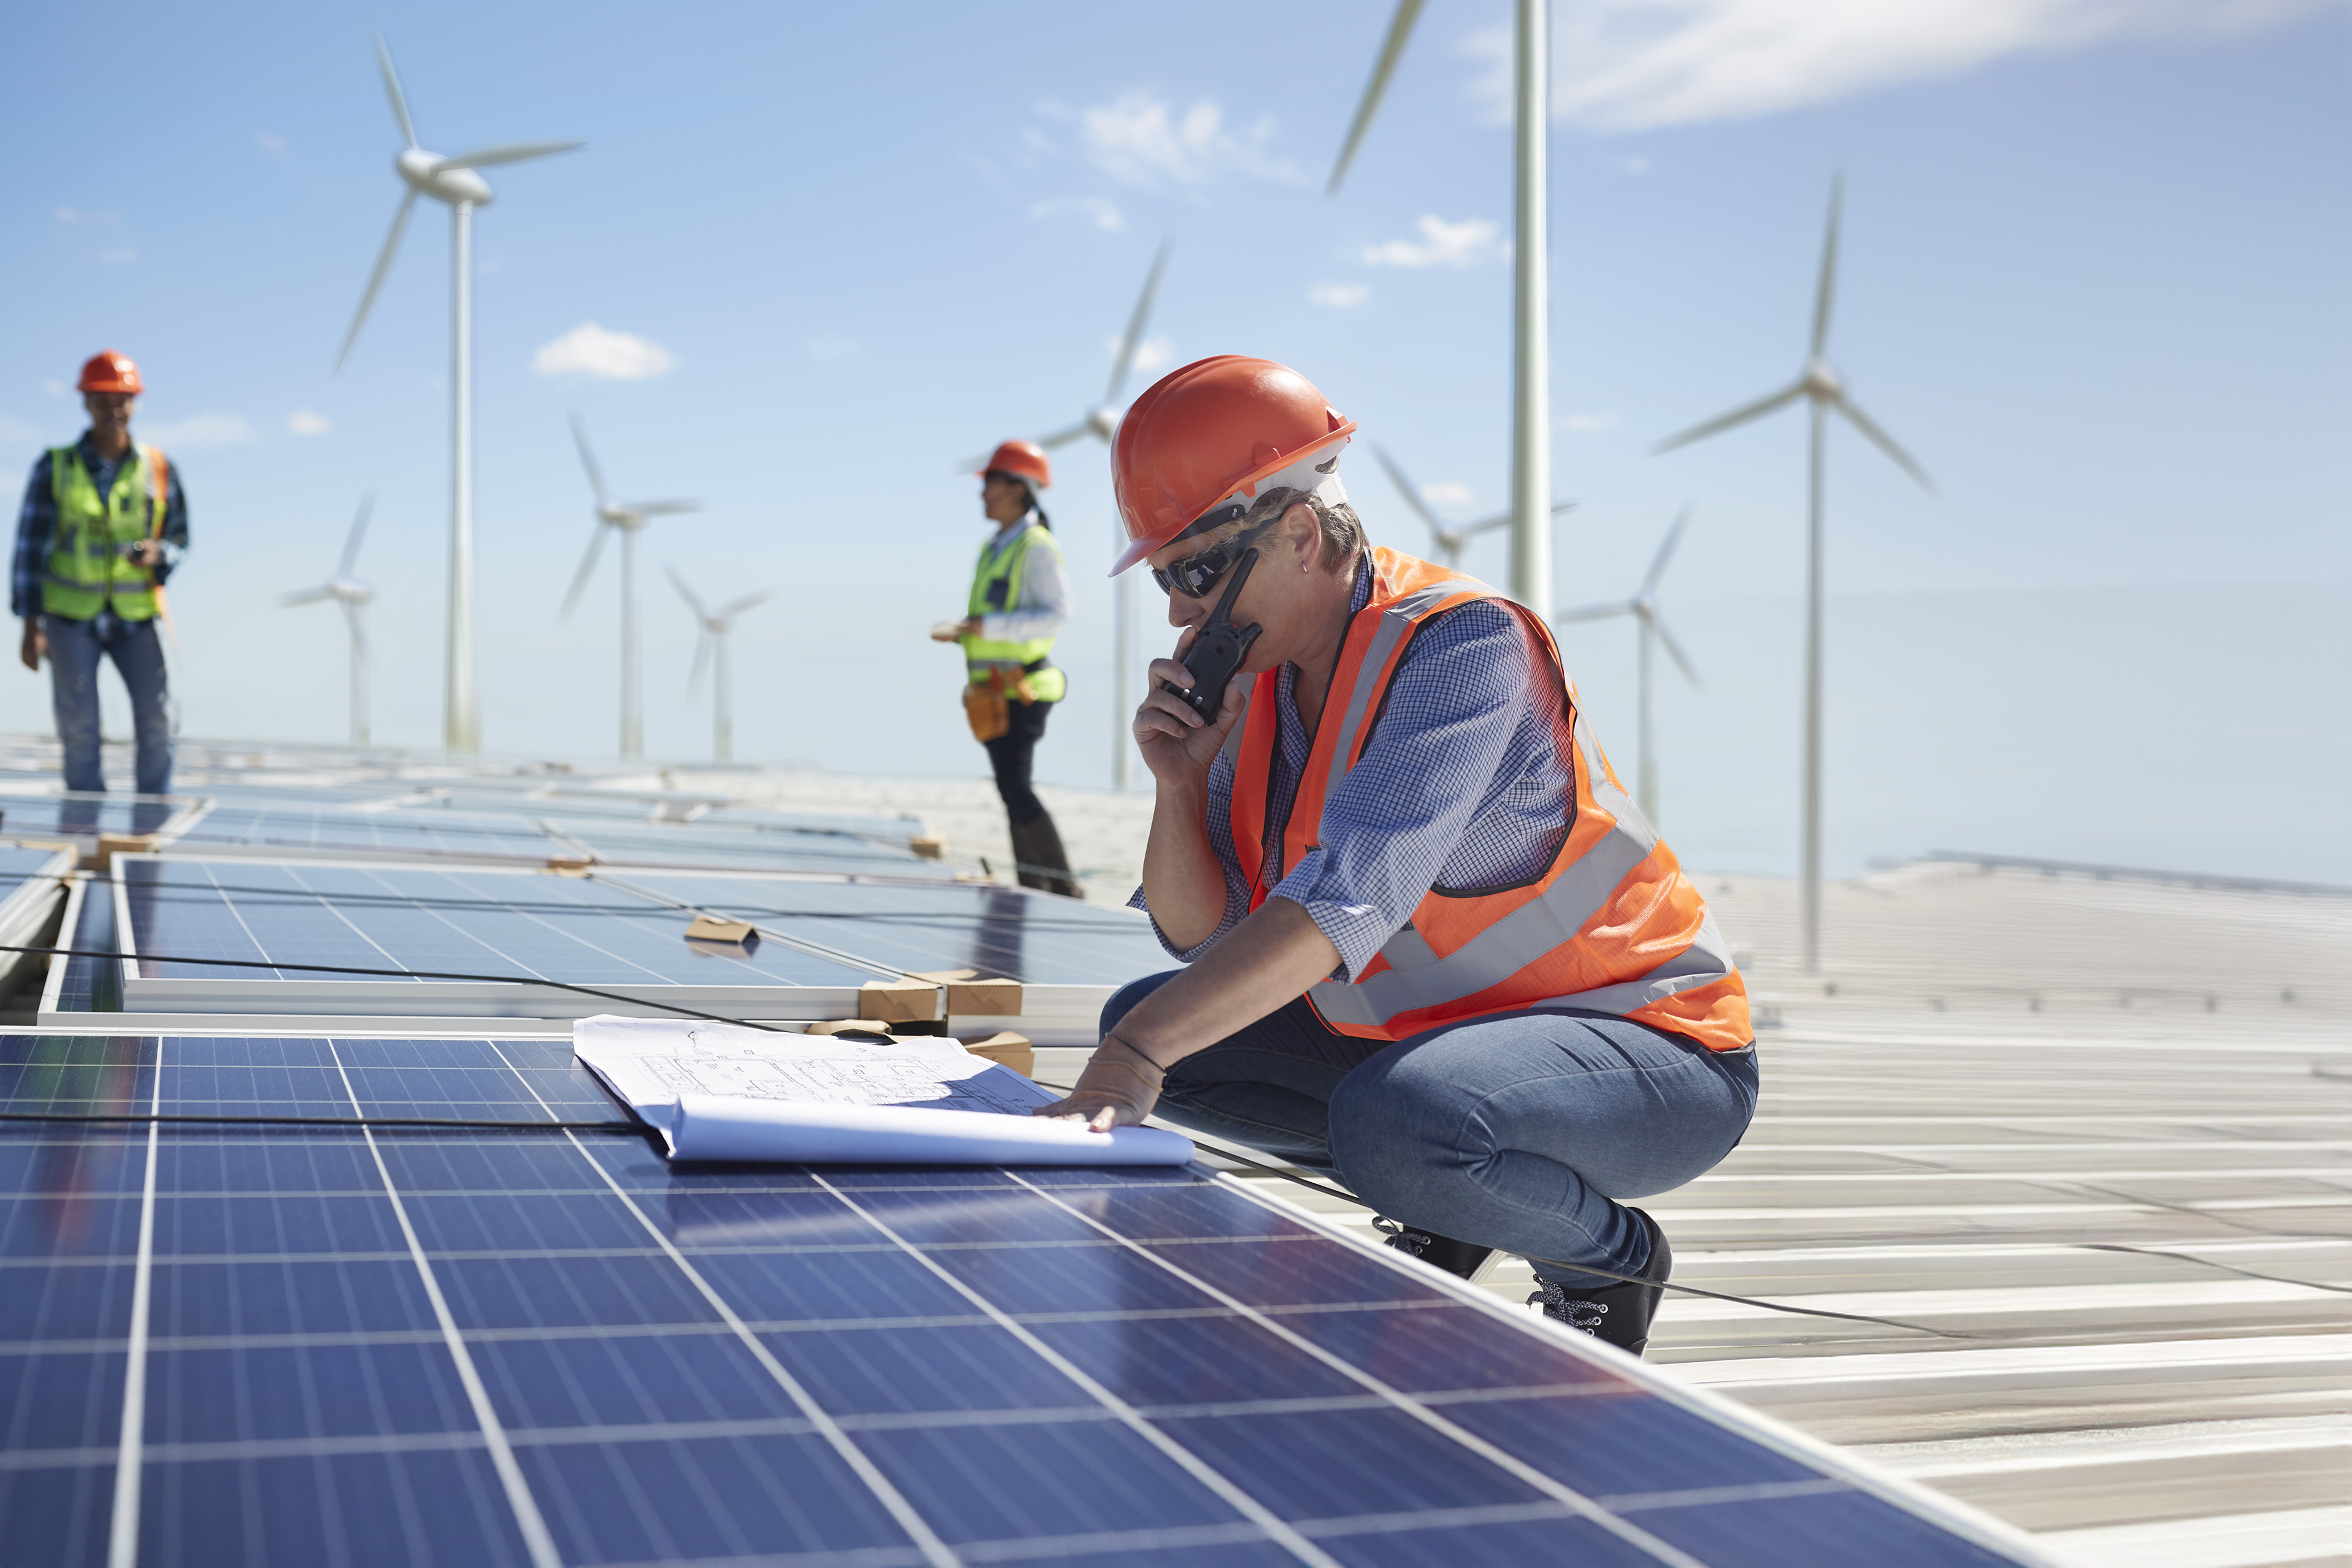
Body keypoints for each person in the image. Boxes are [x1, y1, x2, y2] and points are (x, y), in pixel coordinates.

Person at [1039, 357, 1757, 1358]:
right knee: (1162, 1023)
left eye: (1197, 573)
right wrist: (1175, 783)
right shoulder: (1258, 683)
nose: (1177, 614)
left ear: (1297, 532)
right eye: (1165, 578)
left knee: (1379, 1116)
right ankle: (1459, 1196)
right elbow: (1194, 933)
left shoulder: (1463, 650)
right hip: (1447, 1042)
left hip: (1652, 1052)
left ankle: (1606, 1257)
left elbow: (1344, 902)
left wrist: (1132, 1061)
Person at [12, 350, 184, 808]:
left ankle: (152, 829)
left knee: (157, 723)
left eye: (123, 398)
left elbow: (180, 537)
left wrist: (159, 552)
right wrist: (31, 627)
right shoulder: (56, 466)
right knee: (80, 730)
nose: (114, 408)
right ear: (86, 401)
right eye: (104, 398)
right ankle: (85, 834)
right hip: (70, 619)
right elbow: (29, 549)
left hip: (137, 617)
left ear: (134, 402)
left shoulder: (157, 467)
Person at [932, 440, 1080, 897]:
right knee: (1010, 791)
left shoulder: (1035, 546)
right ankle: (1034, 887)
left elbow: (1056, 614)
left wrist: (986, 625)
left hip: (1023, 688)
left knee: (1016, 789)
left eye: (990, 483)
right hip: (993, 692)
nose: (982, 494)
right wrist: (970, 631)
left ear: (1017, 488)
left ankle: (1061, 890)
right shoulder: (994, 547)